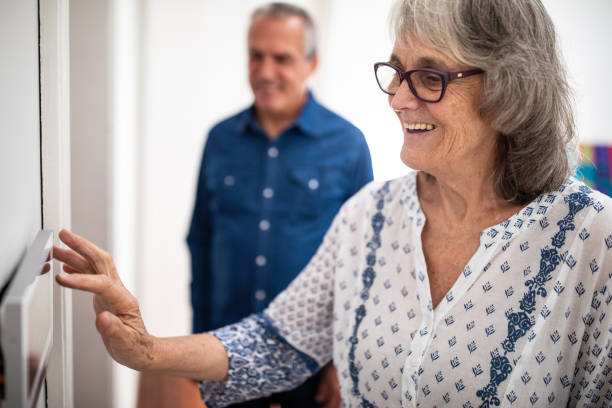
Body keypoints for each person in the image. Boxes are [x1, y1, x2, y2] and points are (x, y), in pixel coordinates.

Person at [54, 0, 612, 406]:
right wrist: (147, 349)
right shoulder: (370, 217)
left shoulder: (594, 242)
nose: (396, 97)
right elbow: (276, 342)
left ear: (509, 87)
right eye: (395, 71)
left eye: (428, 76)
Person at [186, 3, 372, 407]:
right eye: (256, 55)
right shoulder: (219, 140)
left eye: (282, 58)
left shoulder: (348, 145)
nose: (265, 71)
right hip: (228, 349)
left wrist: (342, 361)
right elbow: (199, 239)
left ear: (311, 63)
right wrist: (199, 337)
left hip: (311, 357)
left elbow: (361, 262)